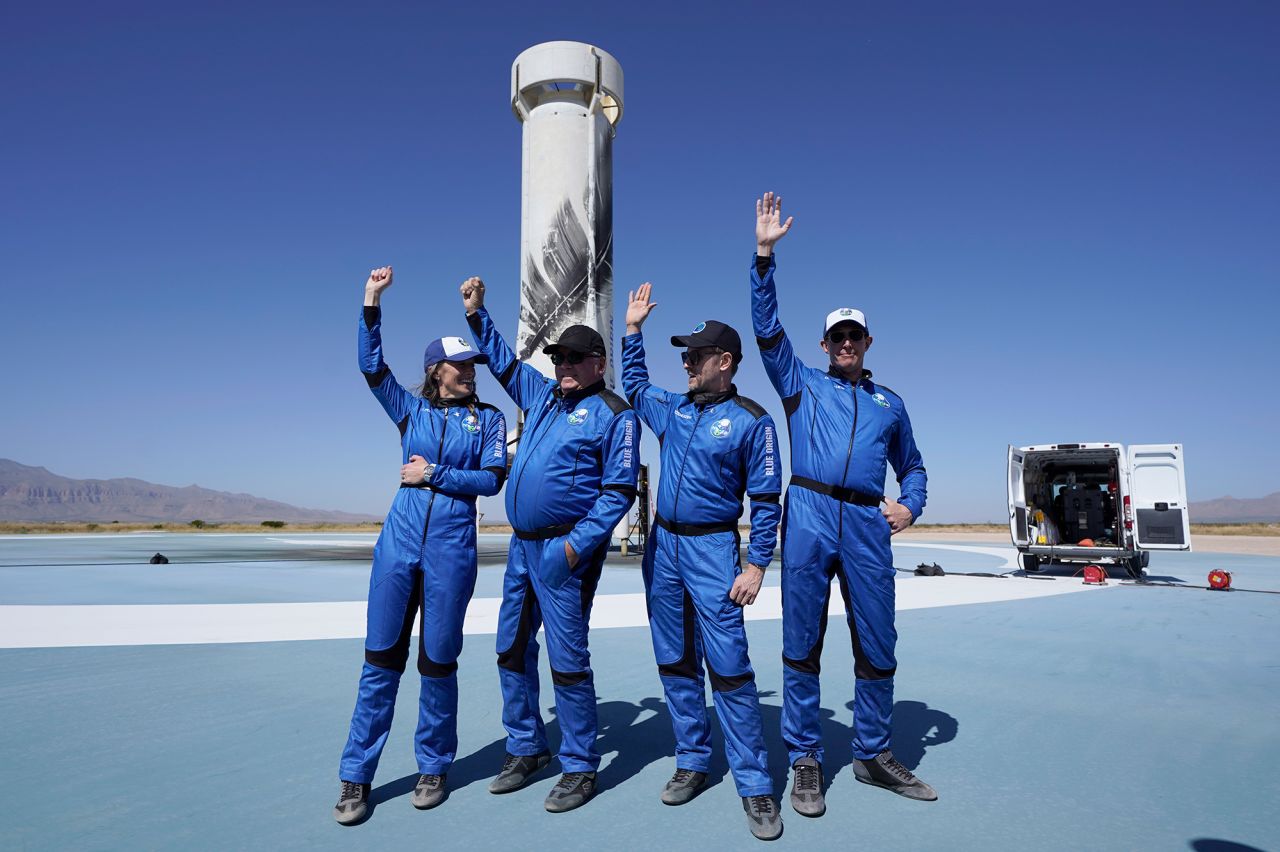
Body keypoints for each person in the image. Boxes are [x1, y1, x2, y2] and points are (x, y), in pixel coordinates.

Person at [749, 193, 936, 817]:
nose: (846, 343)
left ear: (867, 340)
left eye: (854, 335)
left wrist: (910, 504)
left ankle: (872, 752)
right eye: (838, 336)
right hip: (806, 513)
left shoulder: (892, 404)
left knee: (877, 639)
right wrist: (764, 257)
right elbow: (767, 331)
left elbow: (913, 466)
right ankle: (805, 758)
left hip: (865, 522)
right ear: (825, 343)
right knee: (802, 642)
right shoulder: (801, 383)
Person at [334, 266, 508, 826]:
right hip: (397, 548)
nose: (470, 374)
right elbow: (370, 366)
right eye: (461, 367)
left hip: (452, 553)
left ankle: (434, 765)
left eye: (473, 366)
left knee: (438, 664)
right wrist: (370, 302)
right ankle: (356, 777)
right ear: (437, 371)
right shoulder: (411, 409)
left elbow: (490, 481)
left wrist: (433, 474)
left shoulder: (490, 420)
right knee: (380, 663)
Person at [462, 276, 640, 813]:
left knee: (567, 659)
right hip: (522, 548)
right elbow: (500, 362)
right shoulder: (541, 397)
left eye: (574, 358)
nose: (563, 365)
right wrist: (477, 315)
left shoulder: (615, 413)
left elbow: (618, 492)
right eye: (559, 357)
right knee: (511, 649)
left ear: (598, 363)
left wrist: (575, 547)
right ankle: (525, 747)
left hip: (565, 552)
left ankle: (581, 766)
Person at [621, 283, 784, 841]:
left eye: (694, 356)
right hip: (662, 548)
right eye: (684, 356)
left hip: (715, 550)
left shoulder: (752, 421)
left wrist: (756, 564)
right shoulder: (672, 409)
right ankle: (692, 758)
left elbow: (766, 501)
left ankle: (756, 785)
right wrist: (632, 332)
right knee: (674, 658)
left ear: (725, 361)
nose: (686, 364)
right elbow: (637, 386)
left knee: (730, 666)